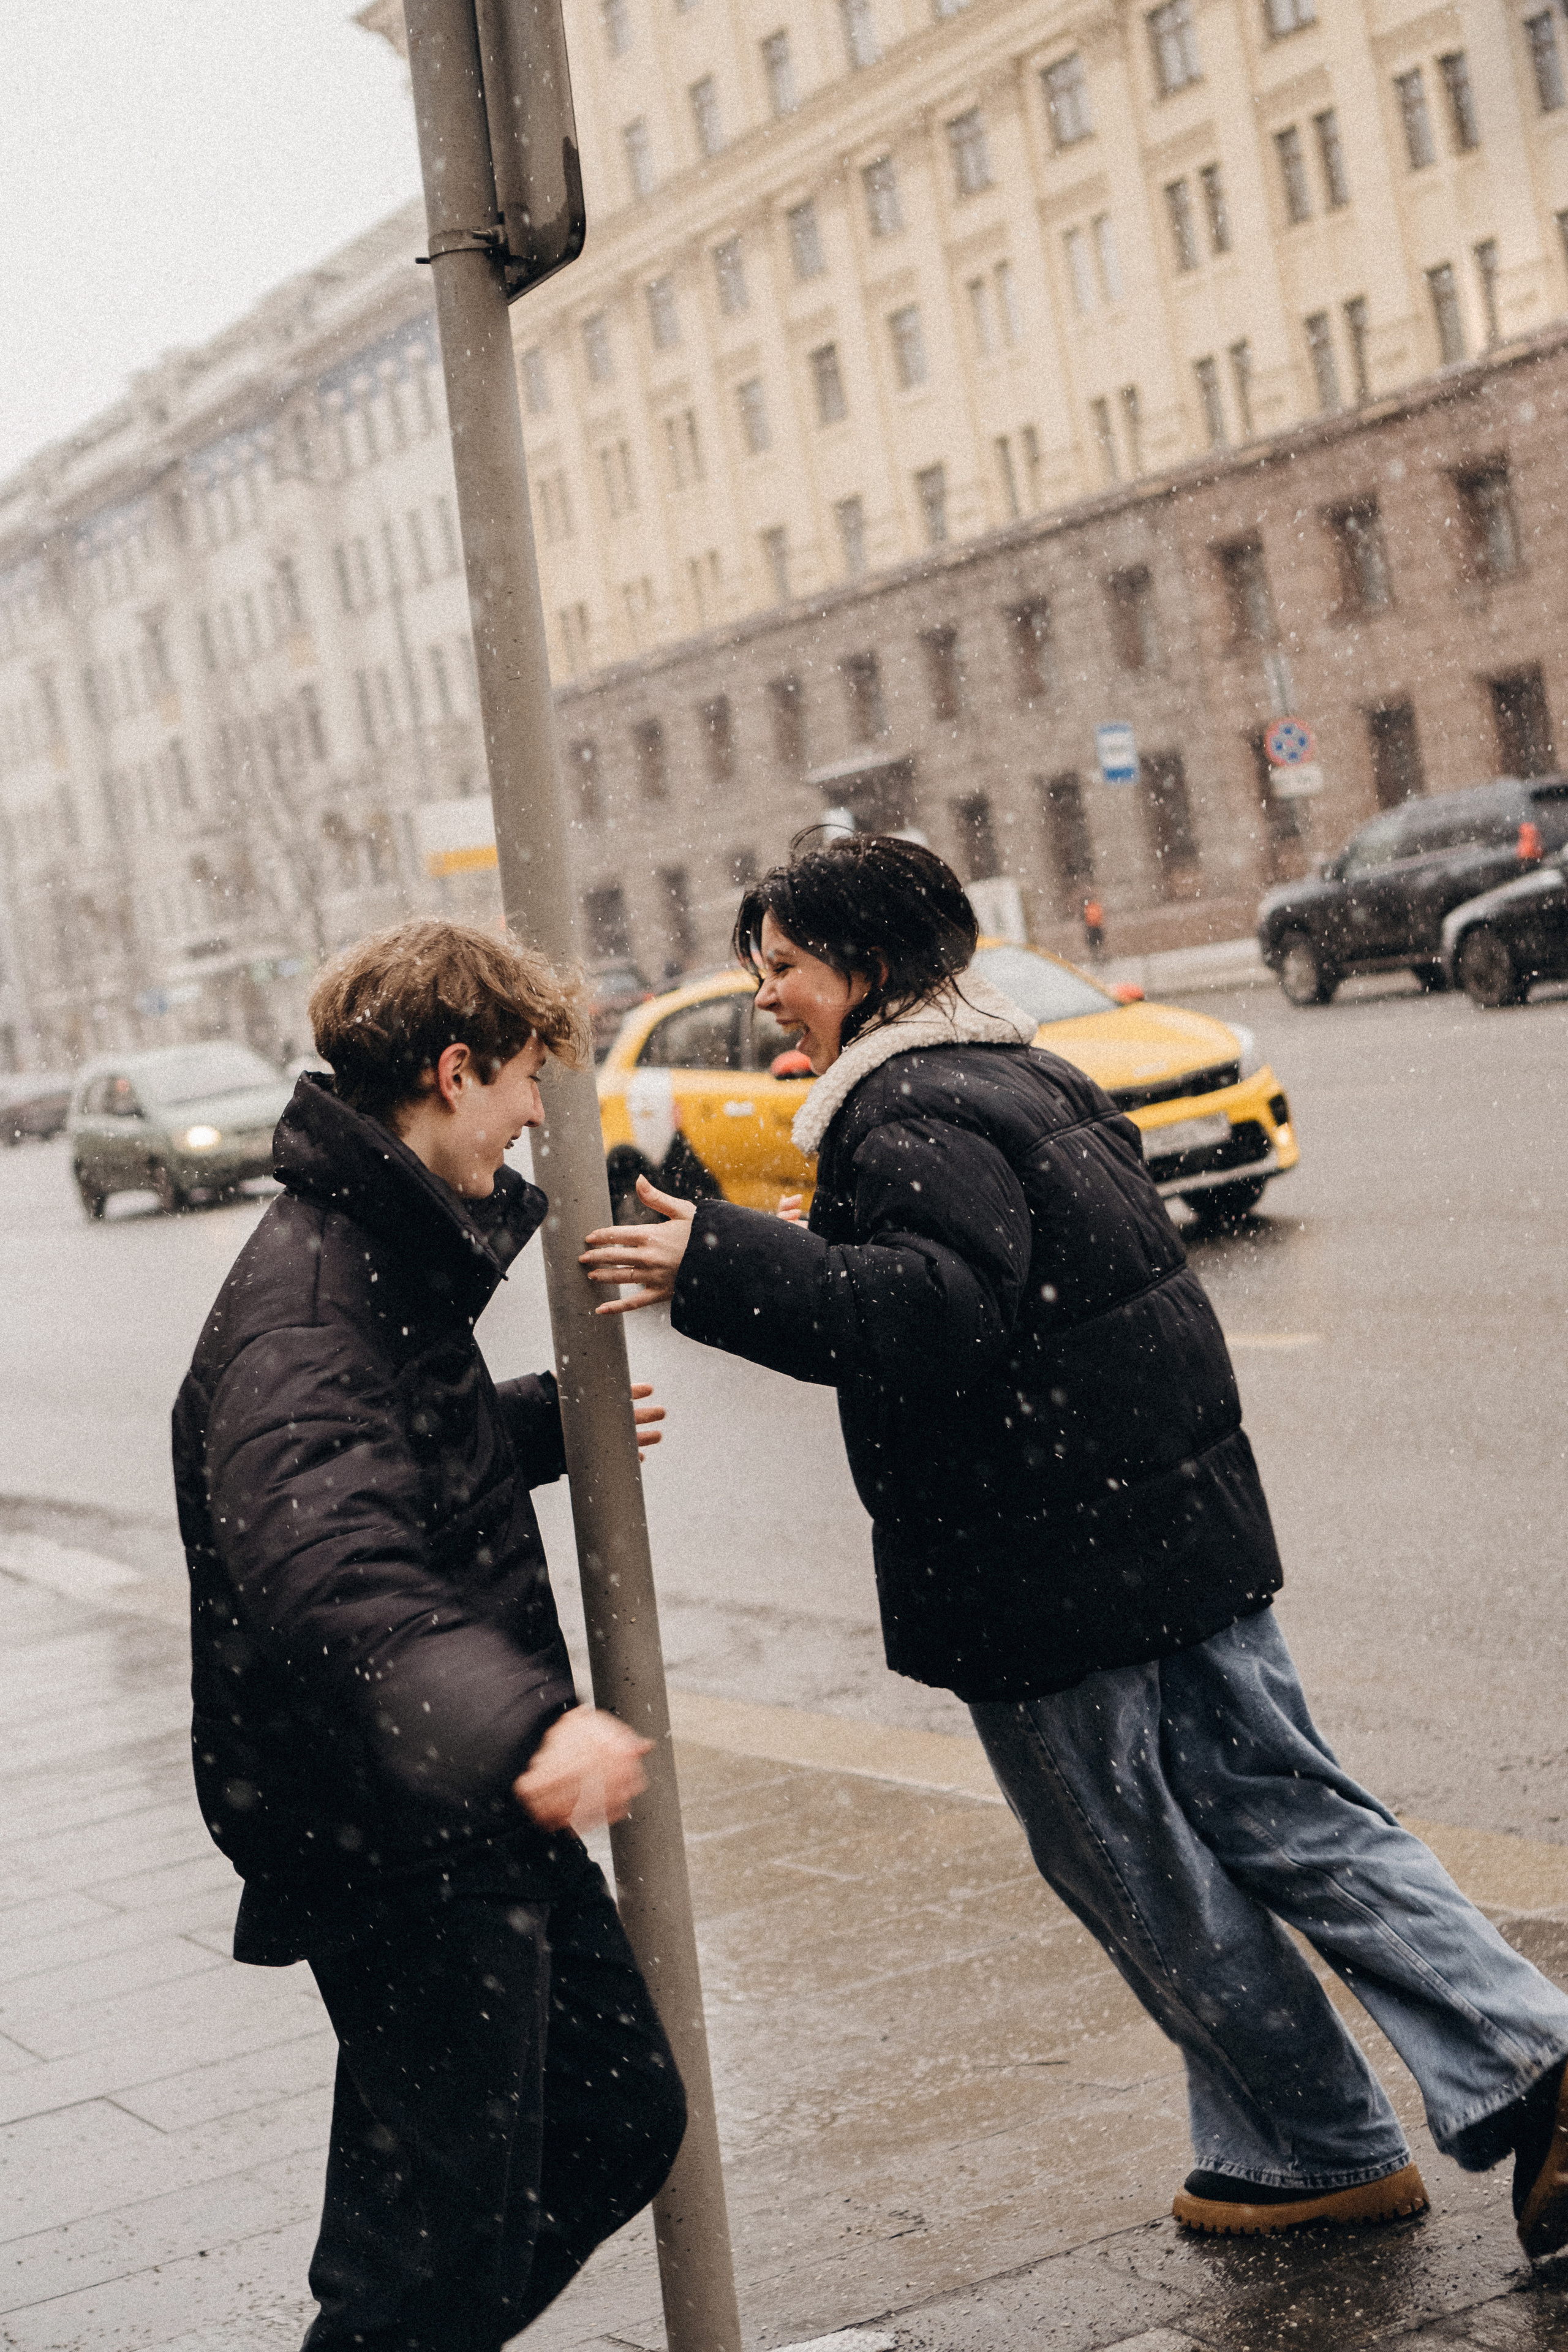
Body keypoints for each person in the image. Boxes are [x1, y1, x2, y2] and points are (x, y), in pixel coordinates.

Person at [579, 833, 1568, 2257]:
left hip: (1044, 1568)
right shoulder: (1018, 1070)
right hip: (1167, 1528)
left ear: (864, 970)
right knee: (1292, 1812)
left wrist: (717, 1262)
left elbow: (938, 1311)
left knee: (1133, 1864)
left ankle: (1313, 2144)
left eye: (785, 967)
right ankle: (1518, 2065)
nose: (767, 997)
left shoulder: (902, 1113)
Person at [173, 920, 687, 2352]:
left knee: (615, 2114)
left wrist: (520, 1424)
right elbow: (330, 1570)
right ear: (454, 1071)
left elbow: (364, 1465)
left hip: (449, 1802)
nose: (537, 1113)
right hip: (396, 1822)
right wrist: (529, 1725)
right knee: (425, 2256)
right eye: (525, 1078)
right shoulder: (316, 1298)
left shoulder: (371, 1249)